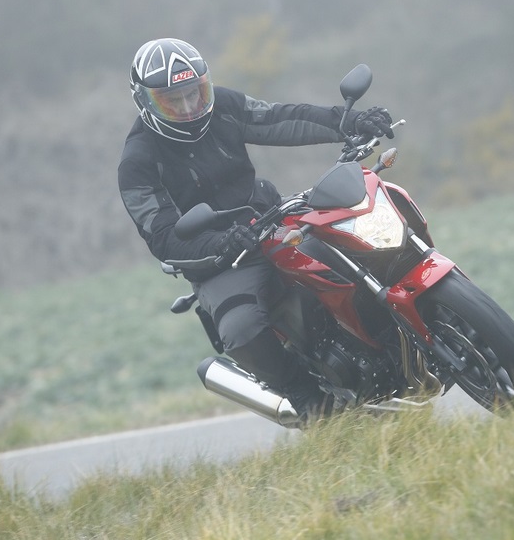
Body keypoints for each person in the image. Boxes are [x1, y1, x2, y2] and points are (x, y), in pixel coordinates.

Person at [118, 38, 393, 419]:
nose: (188, 108)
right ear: (145, 102)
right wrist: (221, 243)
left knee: (356, 241)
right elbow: (163, 236)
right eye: (171, 101)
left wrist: (347, 122)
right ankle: (310, 398)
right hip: (220, 261)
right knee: (240, 328)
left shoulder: (223, 107)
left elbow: (278, 118)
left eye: (195, 94)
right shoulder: (138, 162)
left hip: (269, 219)